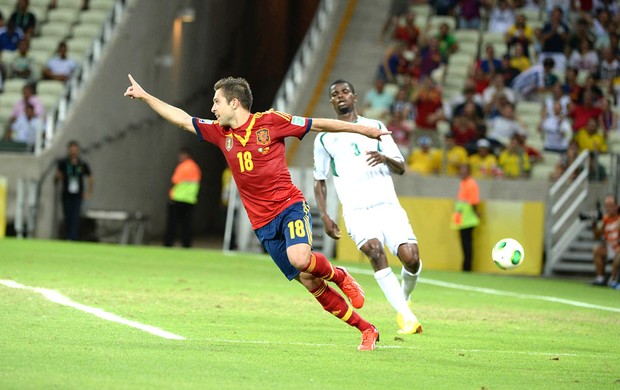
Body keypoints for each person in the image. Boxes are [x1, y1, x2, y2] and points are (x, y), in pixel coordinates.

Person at [124, 74, 387, 351]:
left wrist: (364, 131)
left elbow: (317, 124)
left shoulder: (271, 122)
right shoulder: (220, 132)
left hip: (289, 206)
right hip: (262, 224)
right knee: (310, 282)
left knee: (299, 258)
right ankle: (366, 329)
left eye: (217, 102)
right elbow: (181, 119)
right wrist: (146, 96)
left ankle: (341, 276)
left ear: (234, 103)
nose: (213, 109)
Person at [313, 79, 423, 335]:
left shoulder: (375, 126)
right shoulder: (325, 138)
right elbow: (320, 180)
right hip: (356, 210)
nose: (340, 96)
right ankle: (406, 317)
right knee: (374, 250)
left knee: (412, 259)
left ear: (354, 96)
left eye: (345, 91)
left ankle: (404, 299)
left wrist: (385, 157)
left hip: (388, 206)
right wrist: (325, 215)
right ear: (331, 101)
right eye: (334, 93)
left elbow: (401, 166)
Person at [55, 140, 93, 241]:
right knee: (67, 214)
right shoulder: (63, 163)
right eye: (71, 149)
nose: (73, 151)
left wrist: (89, 192)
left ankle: (73, 237)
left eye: (75, 149)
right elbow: (57, 176)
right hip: (66, 193)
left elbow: (90, 177)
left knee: (75, 215)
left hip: (77, 194)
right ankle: (68, 235)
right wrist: (58, 177)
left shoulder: (82, 164)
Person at [164, 148, 202, 248]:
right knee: (187, 224)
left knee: (173, 223)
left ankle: (168, 243)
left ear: (185, 155)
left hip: (178, 198)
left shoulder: (183, 166)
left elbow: (175, 181)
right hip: (190, 199)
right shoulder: (195, 167)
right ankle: (186, 243)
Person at [451, 163, 480, 271]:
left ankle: (467, 266)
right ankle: (466, 265)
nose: (461, 172)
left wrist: (476, 213)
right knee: (465, 242)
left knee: (467, 243)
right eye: (461, 170)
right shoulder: (463, 183)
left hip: (468, 219)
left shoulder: (471, 184)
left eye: (464, 170)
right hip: (463, 219)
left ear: (469, 171)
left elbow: (474, 202)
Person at [591, 194, 620, 286]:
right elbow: (597, 236)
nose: (608, 208)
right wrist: (594, 224)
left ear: (616, 206)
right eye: (606, 206)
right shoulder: (605, 219)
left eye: (611, 206)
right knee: (597, 250)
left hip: (618, 247)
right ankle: (600, 278)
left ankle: (613, 279)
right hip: (609, 248)